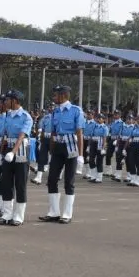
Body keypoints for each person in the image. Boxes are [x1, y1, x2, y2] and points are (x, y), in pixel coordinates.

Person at [38, 85, 84, 224]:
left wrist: (80, 155)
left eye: (56, 95)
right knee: (51, 180)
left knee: (68, 182)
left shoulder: (76, 111)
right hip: (58, 147)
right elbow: (53, 133)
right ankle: (54, 212)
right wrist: (51, 152)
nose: (54, 98)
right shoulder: (55, 112)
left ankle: (66, 214)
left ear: (63, 95)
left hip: (71, 147)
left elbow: (79, 133)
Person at [0, 90, 32, 226]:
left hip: (21, 151)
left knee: (20, 183)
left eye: (7, 100)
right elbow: (5, 135)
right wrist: (1, 153)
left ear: (15, 101)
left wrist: (13, 152)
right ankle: (7, 213)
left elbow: (22, 135)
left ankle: (18, 215)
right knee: (6, 182)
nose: (5, 102)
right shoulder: (8, 116)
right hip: (8, 149)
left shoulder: (26, 117)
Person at [87, 113, 109, 184]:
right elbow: (90, 136)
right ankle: (93, 176)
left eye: (100, 118)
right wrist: (88, 146)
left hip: (100, 143)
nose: (99, 119)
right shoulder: (94, 126)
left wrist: (103, 148)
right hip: (93, 143)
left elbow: (105, 138)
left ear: (104, 119)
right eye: (98, 118)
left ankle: (99, 178)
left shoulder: (105, 127)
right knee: (91, 160)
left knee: (99, 161)